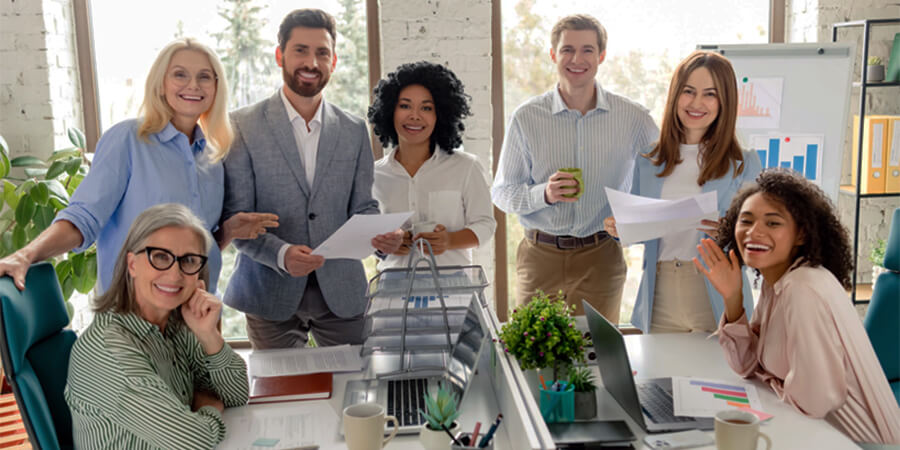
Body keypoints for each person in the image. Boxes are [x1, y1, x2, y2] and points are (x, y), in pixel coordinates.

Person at [0, 38, 276, 293]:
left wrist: (227, 232)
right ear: (161, 83)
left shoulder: (212, 157)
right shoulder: (128, 140)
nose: (193, 85)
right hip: (132, 315)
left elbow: (193, 250)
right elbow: (83, 217)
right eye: (180, 74)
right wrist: (25, 255)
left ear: (217, 87)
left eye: (204, 77)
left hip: (197, 314)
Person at [222, 9, 403, 349]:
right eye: (300, 50)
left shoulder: (353, 129)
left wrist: (380, 236)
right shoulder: (242, 127)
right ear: (280, 56)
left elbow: (363, 206)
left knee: (355, 392)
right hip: (268, 292)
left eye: (322, 52)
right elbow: (237, 222)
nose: (311, 62)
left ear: (333, 60)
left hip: (343, 293)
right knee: (283, 398)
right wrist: (282, 254)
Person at [693, 169, 900, 445]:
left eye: (773, 223)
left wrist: (770, 383)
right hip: (817, 434)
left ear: (801, 234)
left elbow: (816, 401)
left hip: (860, 443)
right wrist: (732, 298)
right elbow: (746, 366)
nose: (754, 232)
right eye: (746, 221)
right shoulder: (775, 280)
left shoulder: (802, 287)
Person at [491, 14, 659, 319]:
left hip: (601, 256)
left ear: (602, 56)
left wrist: (633, 218)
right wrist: (544, 194)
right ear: (554, 55)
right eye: (567, 49)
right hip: (539, 256)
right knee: (535, 358)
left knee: (596, 357)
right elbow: (502, 193)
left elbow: (663, 177)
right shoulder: (526, 117)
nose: (577, 59)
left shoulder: (633, 118)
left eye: (587, 50)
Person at [65, 203, 249, 450]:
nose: (175, 275)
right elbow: (193, 441)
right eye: (160, 257)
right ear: (132, 264)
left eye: (189, 260)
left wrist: (208, 335)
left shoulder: (174, 323)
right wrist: (209, 407)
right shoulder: (109, 350)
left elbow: (235, 396)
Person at [603, 51, 761, 333]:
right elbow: (641, 228)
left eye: (710, 94)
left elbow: (757, 241)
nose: (697, 103)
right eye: (689, 91)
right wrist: (620, 228)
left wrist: (728, 235)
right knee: (661, 377)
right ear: (676, 95)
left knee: (717, 376)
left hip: (715, 291)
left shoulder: (744, 163)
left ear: (725, 101)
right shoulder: (648, 160)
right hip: (659, 292)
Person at [368, 61, 496, 269]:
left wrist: (450, 241)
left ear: (441, 115)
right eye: (405, 105)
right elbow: (369, 238)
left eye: (426, 108)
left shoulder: (466, 167)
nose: (415, 115)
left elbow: (486, 225)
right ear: (390, 110)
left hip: (453, 290)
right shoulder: (374, 174)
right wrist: (386, 246)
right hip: (393, 290)